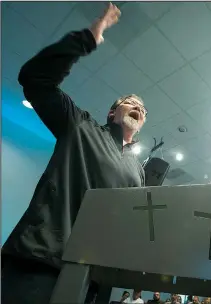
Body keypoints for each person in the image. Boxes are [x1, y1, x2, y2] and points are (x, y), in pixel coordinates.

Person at [1, 3, 147, 304]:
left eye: (143, 109)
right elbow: (35, 78)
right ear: (111, 112)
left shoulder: (137, 169)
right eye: (130, 102)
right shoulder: (80, 125)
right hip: (39, 263)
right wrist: (88, 38)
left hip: (90, 279)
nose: (138, 107)